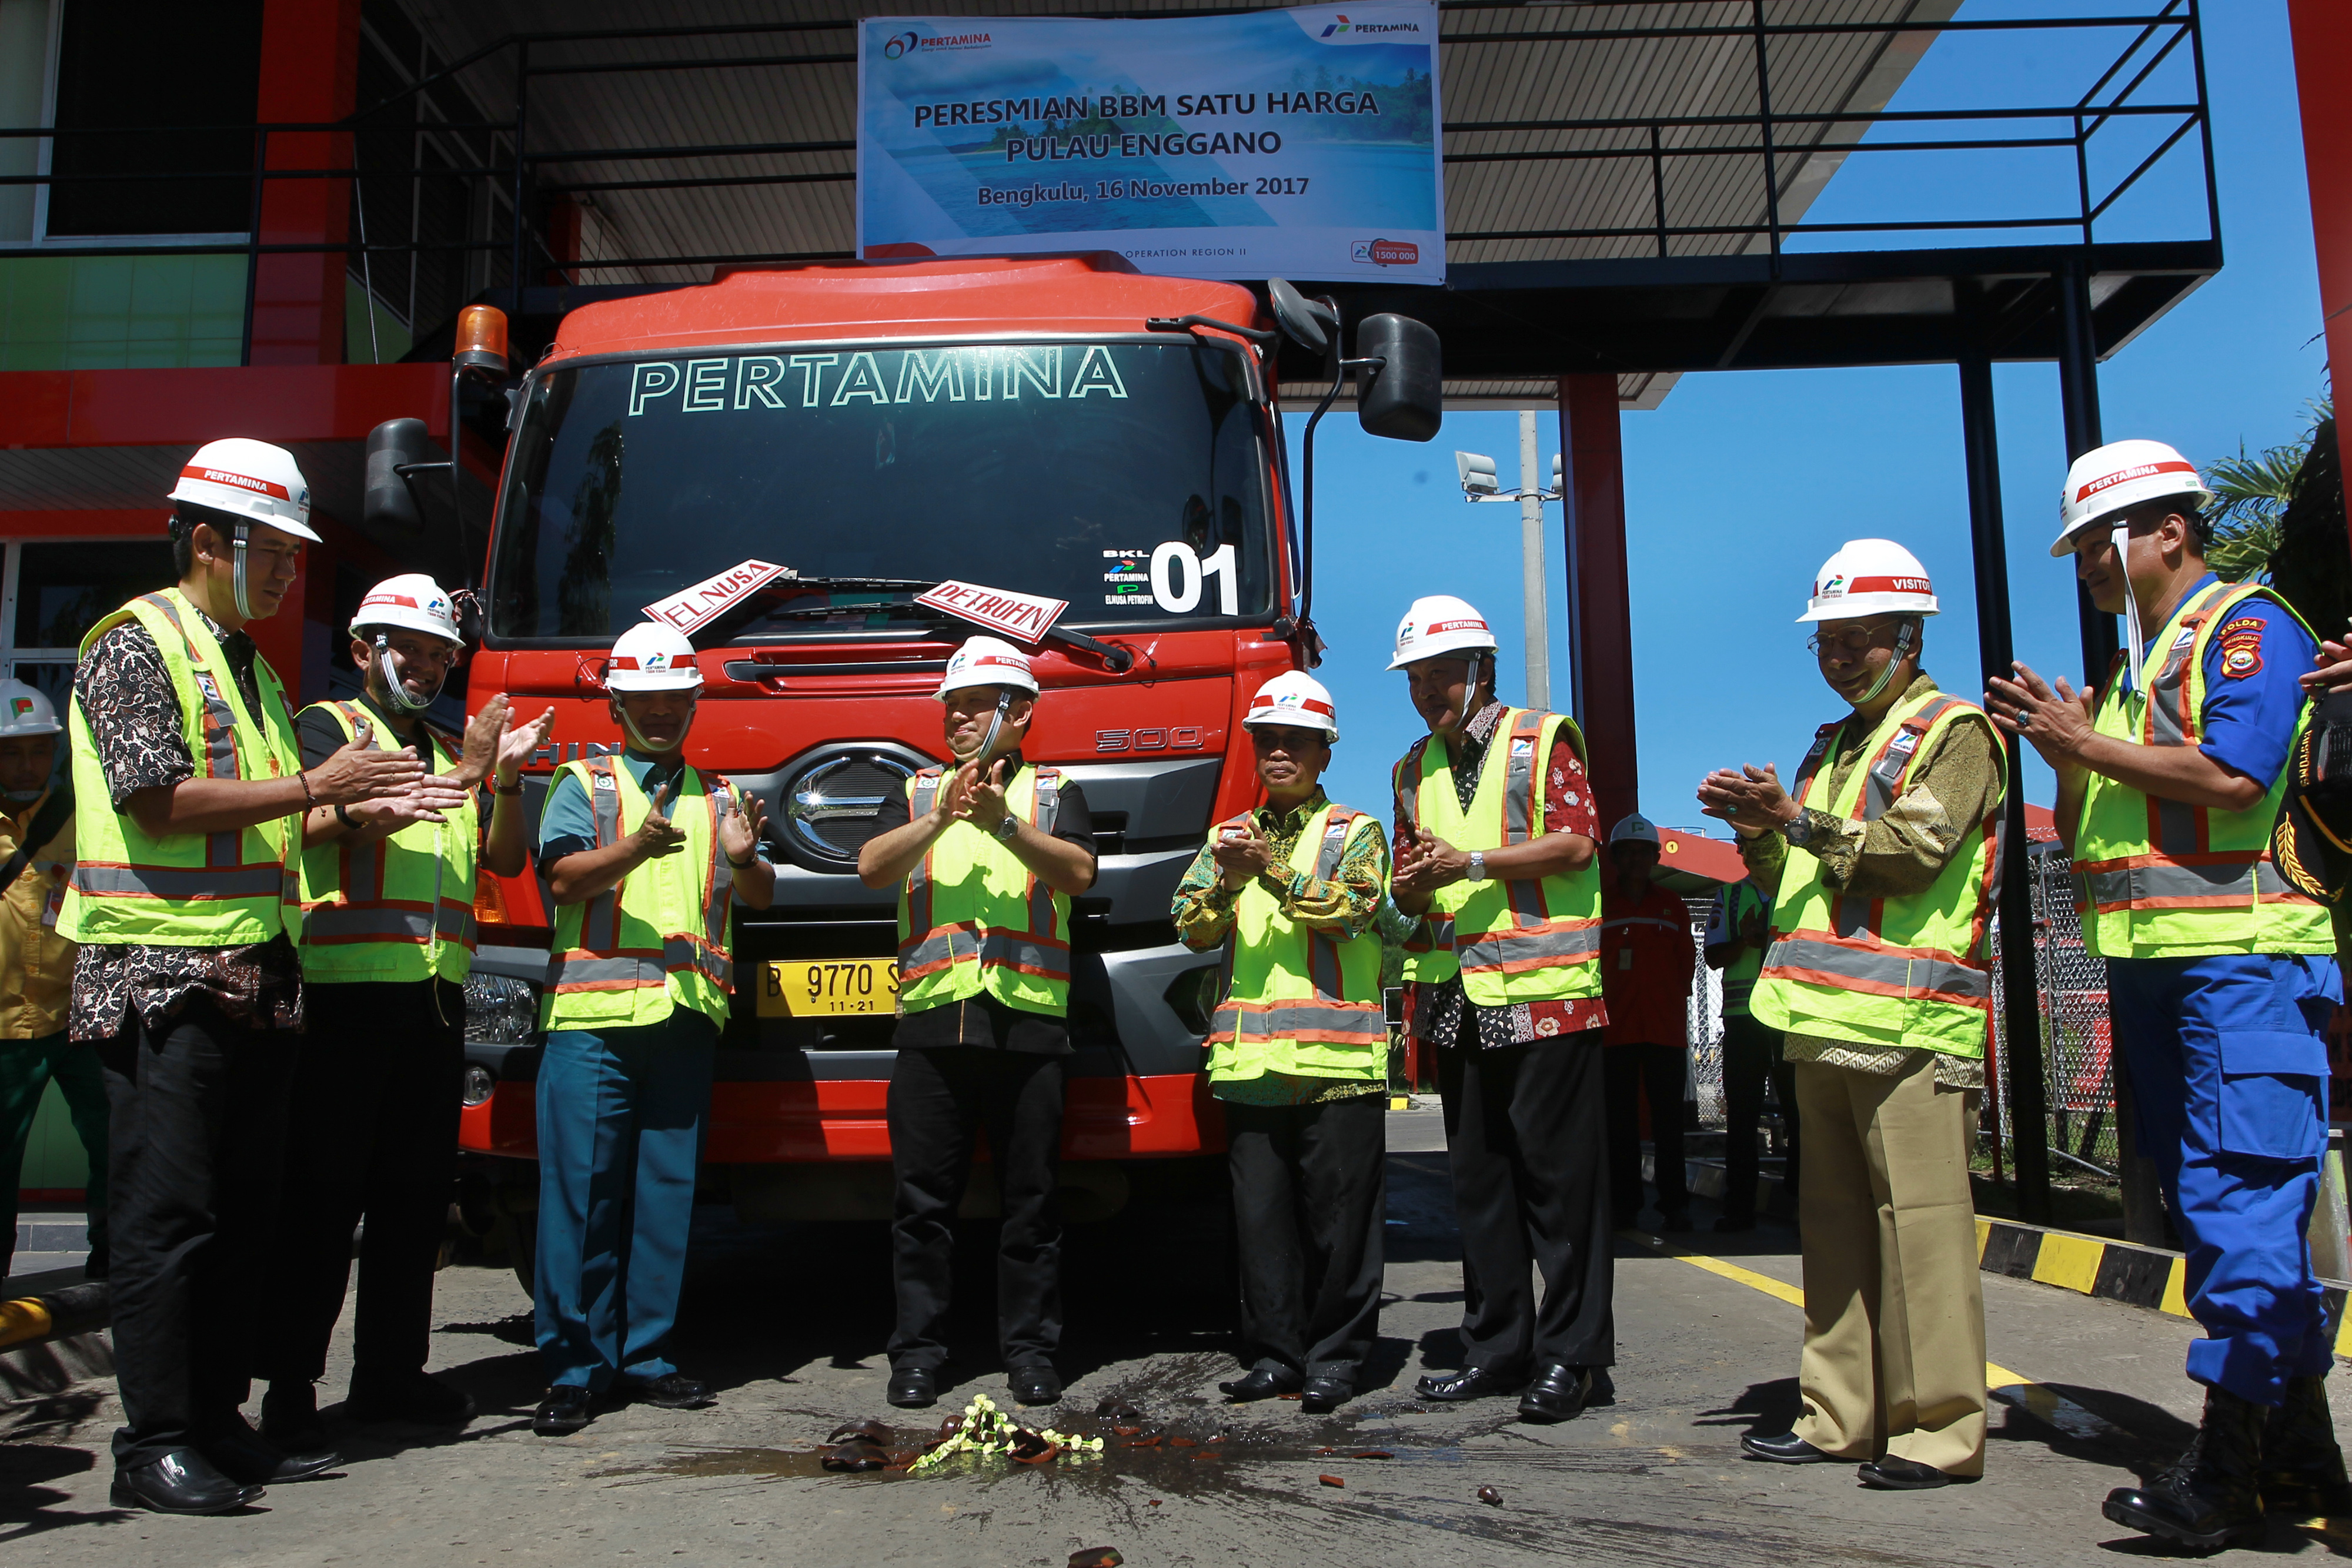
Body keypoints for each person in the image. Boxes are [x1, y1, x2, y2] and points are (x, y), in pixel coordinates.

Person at [65, 440, 452, 1514]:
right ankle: (153, 1442)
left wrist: (358, 810)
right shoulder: (133, 643)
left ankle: (218, 1419)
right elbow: (157, 801)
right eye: (274, 551)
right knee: (170, 1221)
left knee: (245, 1215)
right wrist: (319, 785)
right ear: (206, 540)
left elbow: (281, 822)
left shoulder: (252, 666)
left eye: (292, 553)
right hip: (162, 975)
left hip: (260, 978)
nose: (289, 571)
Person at [1988, 440, 2352, 1550]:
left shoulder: (2246, 626)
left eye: (2099, 541)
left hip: (2241, 966)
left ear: (2171, 530)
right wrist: (2071, 756)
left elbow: (2237, 776)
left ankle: (2227, 1471)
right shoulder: (2139, 665)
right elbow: (2101, 826)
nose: (2088, 563)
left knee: (2241, 1208)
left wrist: (2082, 740)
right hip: (2160, 971)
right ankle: (2302, 1457)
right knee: (2220, 1215)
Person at [1698, 539, 2003, 1493]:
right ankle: (1839, 1414)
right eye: (1826, 641)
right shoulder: (1831, 745)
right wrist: (1758, 830)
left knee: (1923, 1232)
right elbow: (1793, 875)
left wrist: (1792, 818)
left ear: (1910, 636)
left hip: (1913, 1026)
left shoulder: (1960, 733)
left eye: (1858, 638)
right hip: (1822, 1020)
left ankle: (1938, 1428)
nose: (1838, 657)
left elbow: (1914, 853)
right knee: (1831, 1230)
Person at [255, 576, 554, 1452]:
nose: (426, 667)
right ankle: (288, 1392)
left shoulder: (446, 748)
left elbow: (504, 859)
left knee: (414, 1200)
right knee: (322, 1201)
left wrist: (501, 779)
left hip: (434, 1000)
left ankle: (390, 1374)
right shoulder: (328, 730)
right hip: (344, 998)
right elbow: (297, 828)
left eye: (438, 656)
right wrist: (430, 785)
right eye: (410, 651)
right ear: (363, 650)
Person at [530, 620, 773, 1437]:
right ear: (617, 705)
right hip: (593, 1019)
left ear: (694, 702)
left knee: (666, 1196)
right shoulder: (584, 783)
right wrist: (636, 844)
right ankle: (574, 1368)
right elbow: (563, 880)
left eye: (675, 698)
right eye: (647, 699)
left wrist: (745, 857)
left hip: (684, 1017)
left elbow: (760, 895)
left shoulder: (721, 794)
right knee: (582, 1197)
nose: (662, 711)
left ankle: (646, 1356)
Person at [1387, 595, 1612, 1424]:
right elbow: (1411, 885)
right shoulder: (1411, 769)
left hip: (1546, 995)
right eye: (1415, 679)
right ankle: (1496, 1347)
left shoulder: (1542, 739)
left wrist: (1472, 862)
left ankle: (1573, 1356)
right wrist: (1412, 886)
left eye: (1441, 675)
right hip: (1458, 996)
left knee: (1561, 1187)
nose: (1428, 691)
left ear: (1481, 669)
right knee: (1481, 1185)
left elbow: (1577, 843)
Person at [857, 636, 1098, 1411]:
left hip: (1028, 1023)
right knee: (921, 1204)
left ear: (1019, 712)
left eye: (972, 705)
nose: (955, 718)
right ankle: (917, 1355)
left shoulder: (1055, 791)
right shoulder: (917, 790)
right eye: (950, 707)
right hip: (933, 1022)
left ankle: (1031, 1353)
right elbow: (871, 868)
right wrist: (943, 816)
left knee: (1032, 1202)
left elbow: (1079, 874)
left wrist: (1002, 824)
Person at [1171, 672, 1391, 1414]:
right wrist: (1229, 883)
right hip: (1253, 1064)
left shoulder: (1356, 831)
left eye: (1296, 742)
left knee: (1340, 1225)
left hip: (1337, 1062)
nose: (1279, 752)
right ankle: (1275, 1355)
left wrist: (1267, 870)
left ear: (1325, 752)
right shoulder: (1227, 839)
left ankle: (1336, 1359)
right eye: (1267, 740)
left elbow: (1355, 910)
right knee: (1261, 1223)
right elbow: (1189, 926)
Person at [0, 679, 101, 1282]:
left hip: (77, 1018)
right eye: (12, 751)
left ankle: (116, 1268)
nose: (27, 764)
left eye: (39, 750)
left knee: (117, 1143)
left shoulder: (80, 817)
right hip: (4, 1031)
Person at [1598, 814, 1695, 1232]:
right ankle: (1625, 1206)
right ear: (1615, 858)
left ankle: (1675, 1206)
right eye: (1628, 852)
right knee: (1619, 1122)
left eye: (1644, 852)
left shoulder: (1673, 906)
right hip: (1615, 1032)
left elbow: (1686, 964)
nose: (1636, 859)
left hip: (1664, 1031)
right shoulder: (1600, 905)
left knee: (1669, 1123)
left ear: (1656, 857)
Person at [1705, 874, 1798, 1233]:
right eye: (1745, 848)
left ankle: (1803, 1203)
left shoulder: (1799, 893)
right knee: (1742, 1117)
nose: (1749, 853)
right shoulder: (1729, 896)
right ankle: (1739, 1209)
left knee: (1800, 1113)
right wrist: (1745, 941)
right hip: (1743, 1020)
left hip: (1790, 1018)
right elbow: (1713, 957)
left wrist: (1769, 941)